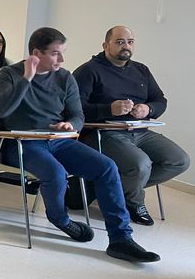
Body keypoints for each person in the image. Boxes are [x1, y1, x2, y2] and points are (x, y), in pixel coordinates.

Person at [0, 27, 159, 263]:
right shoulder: (10, 73)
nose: (62, 59)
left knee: (107, 167)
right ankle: (61, 220)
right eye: (55, 54)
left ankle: (121, 239)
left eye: (63, 53)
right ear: (36, 53)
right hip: (22, 142)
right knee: (56, 174)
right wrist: (26, 78)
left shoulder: (65, 77)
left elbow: (78, 115)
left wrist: (71, 124)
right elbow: (1, 109)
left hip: (59, 142)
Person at [73, 25, 189, 225]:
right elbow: (74, 108)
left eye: (130, 42)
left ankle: (110, 189)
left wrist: (148, 109)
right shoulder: (88, 70)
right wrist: (108, 109)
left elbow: (160, 100)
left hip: (139, 131)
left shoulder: (141, 70)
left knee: (179, 160)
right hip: (103, 133)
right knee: (140, 164)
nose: (125, 46)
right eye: (119, 42)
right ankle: (134, 202)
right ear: (105, 45)